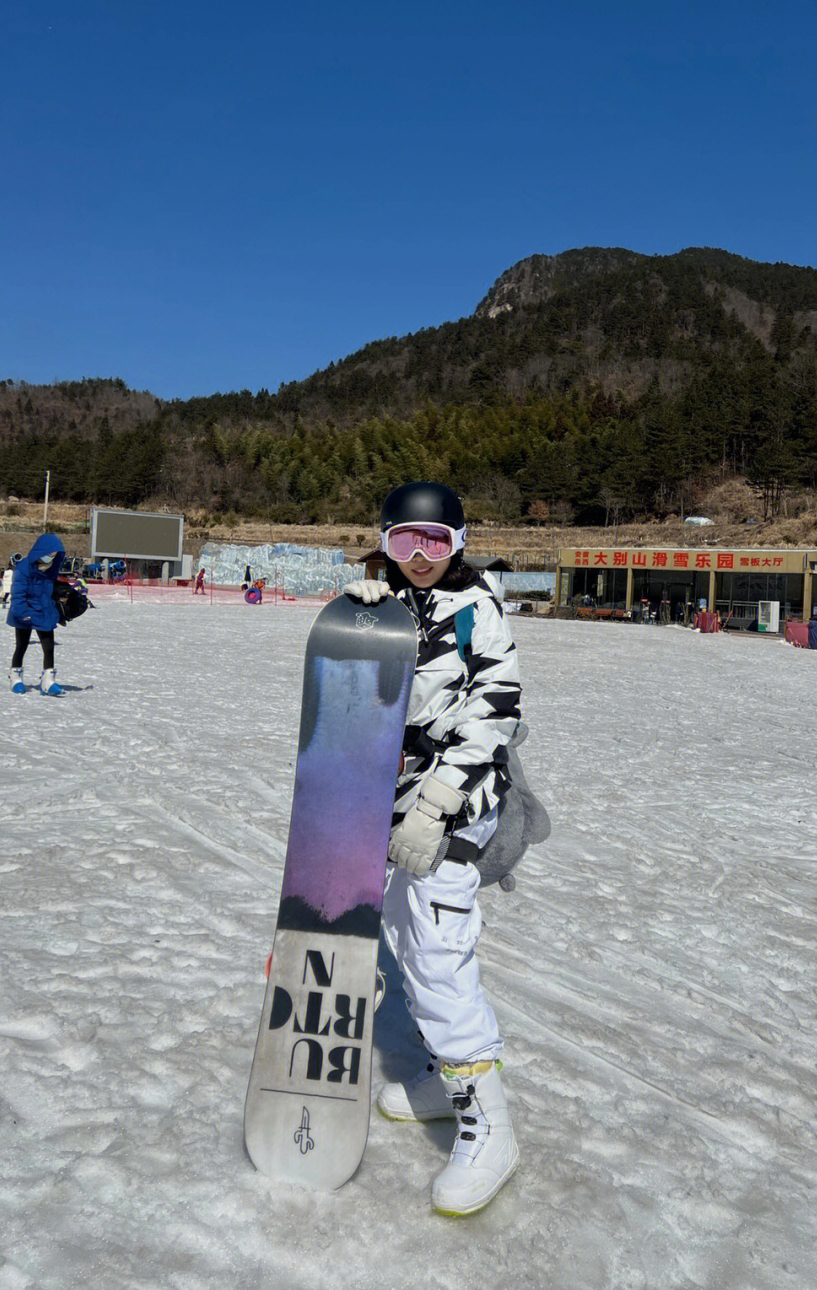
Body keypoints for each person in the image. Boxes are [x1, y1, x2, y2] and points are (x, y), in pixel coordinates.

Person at [345, 482, 522, 1216]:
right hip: (395, 804)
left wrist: (440, 802)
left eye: (436, 541)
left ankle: (491, 1128)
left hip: (455, 807)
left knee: (439, 951)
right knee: (402, 934)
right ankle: (442, 1079)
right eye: (403, 541)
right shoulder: (388, 598)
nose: (420, 556)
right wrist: (360, 617)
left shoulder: (477, 610)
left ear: (461, 540)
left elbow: (497, 706)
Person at [7, 534, 66, 695]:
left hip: (42, 611)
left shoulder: (51, 570)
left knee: (48, 647)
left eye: (53, 557)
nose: (50, 560)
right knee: (22, 645)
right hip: (25, 612)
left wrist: (59, 610)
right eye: (48, 556)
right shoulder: (23, 568)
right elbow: (18, 594)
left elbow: (50, 594)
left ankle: (48, 680)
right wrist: (23, 613)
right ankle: (15, 677)